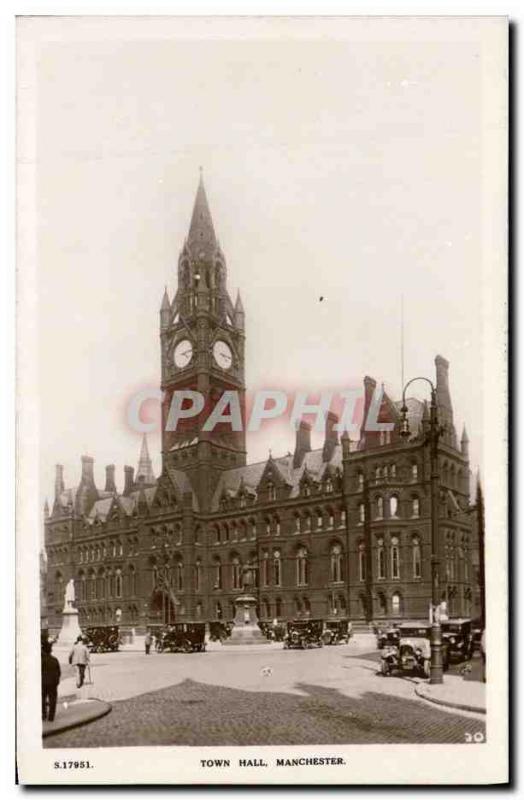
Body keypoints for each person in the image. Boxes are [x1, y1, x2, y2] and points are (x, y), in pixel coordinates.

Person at [41, 641, 61, 722]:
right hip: (53, 683)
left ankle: (44, 714)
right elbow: (59, 672)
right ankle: (51, 716)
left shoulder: (41, 660)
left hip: (43, 683)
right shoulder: (54, 659)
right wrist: (56, 680)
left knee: (42, 699)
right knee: (53, 699)